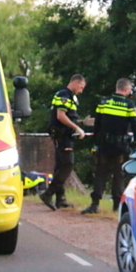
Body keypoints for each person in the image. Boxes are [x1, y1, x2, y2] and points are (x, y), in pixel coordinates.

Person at [81, 78, 136, 214]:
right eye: (130, 90)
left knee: (101, 173)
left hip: (104, 144)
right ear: (125, 90)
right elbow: (135, 126)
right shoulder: (129, 104)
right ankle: (116, 205)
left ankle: (94, 204)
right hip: (120, 145)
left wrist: (95, 142)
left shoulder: (104, 102)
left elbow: (97, 124)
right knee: (118, 174)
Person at [39, 74, 87, 211]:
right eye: (81, 87)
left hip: (65, 134)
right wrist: (77, 127)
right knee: (68, 164)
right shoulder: (63, 95)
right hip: (62, 134)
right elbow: (61, 116)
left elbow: (69, 116)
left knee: (60, 166)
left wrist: (82, 122)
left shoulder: (70, 96)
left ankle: (61, 199)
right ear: (76, 82)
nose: (81, 90)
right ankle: (48, 194)